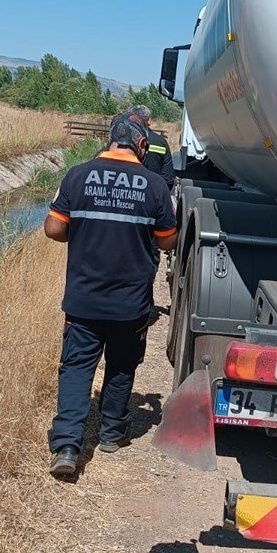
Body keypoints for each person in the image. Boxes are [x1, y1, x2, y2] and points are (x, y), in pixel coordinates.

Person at [43, 117, 178, 476]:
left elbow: (54, 228)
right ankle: (111, 434)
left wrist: (87, 232)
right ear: (142, 146)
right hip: (130, 304)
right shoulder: (154, 186)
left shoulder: (77, 175)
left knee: (76, 368)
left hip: (84, 299)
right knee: (121, 365)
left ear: (108, 141)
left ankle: (68, 447)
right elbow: (167, 240)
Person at [124, 105, 176, 188]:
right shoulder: (160, 142)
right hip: (152, 193)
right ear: (149, 121)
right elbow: (169, 179)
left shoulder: (122, 139)